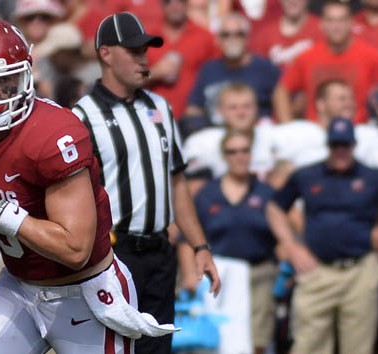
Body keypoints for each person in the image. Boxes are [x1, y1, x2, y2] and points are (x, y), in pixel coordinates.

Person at [0, 18, 179, 354]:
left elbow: (76, 249)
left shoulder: (53, 133)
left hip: (84, 293)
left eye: (6, 79)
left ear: (26, 74)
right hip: (19, 289)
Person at [71, 12, 221, 354]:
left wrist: (200, 247)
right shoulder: (82, 116)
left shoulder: (161, 107)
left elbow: (177, 181)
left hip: (160, 255)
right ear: (106, 54)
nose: (144, 59)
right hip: (112, 257)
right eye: (134, 51)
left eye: (146, 50)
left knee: (158, 349)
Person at [266, 117, 378, 354]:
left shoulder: (371, 177)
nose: (340, 151)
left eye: (345, 145)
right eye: (335, 145)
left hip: (360, 270)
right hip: (317, 269)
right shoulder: (307, 175)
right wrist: (291, 246)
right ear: (328, 146)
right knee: (308, 343)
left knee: (359, 346)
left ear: (353, 145)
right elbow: (275, 208)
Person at [194, 130, 277, 354]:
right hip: (219, 277)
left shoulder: (267, 193)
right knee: (220, 340)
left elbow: (283, 233)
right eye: (232, 151)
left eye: (245, 150)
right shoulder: (207, 194)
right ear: (224, 156)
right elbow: (188, 239)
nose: (239, 156)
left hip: (259, 273)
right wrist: (191, 279)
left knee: (257, 339)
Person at [272, 0, 378, 124]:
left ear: (351, 23)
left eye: (341, 20)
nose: (336, 26)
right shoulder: (307, 57)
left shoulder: (370, 56)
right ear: (322, 24)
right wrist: (287, 126)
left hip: (357, 131)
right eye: (331, 20)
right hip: (317, 133)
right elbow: (281, 90)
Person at [184, 12, 281, 125]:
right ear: (218, 40)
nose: (232, 39)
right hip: (216, 135)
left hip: (256, 133)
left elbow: (285, 101)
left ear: (247, 38)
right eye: (226, 35)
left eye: (238, 34)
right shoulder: (208, 70)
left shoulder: (266, 69)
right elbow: (194, 108)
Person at [146, 0, 220, 120]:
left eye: (180, 1)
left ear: (187, 4)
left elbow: (217, 77)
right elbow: (131, 78)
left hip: (193, 116)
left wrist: (199, 105)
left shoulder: (205, 37)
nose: (175, 6)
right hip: (154, 113)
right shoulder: (147, 37)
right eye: (169, 1)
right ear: (161, 4)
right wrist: (154, 73)